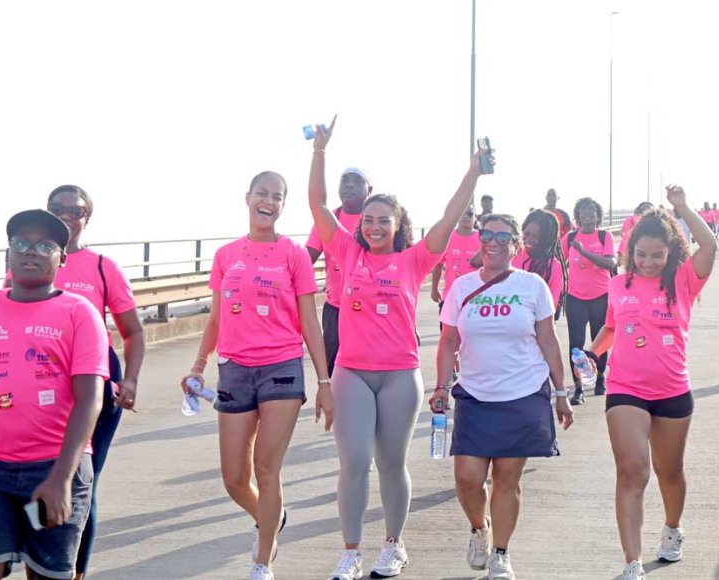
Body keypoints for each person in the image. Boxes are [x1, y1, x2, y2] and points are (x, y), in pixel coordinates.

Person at [308, 118, 490, 580]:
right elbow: (317, 203)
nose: (373, 227)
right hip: (350, 371)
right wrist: (321, 151)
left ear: (397, 224)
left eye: (382, 221)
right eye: (367, 220)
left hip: (399, 375)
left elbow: (450, 217)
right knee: (352, 462)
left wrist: (474, 173)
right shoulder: (348, 252)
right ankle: (350, 551)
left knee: (391, 463)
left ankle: (393, 544)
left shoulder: (414, 259)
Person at [180, 170, 334, 580]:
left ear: (283, 205)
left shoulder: (294, 256)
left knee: (267, 467)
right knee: (234, 478)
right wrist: (197, 366)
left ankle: (262, 560)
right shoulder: (226, 256)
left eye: (277, 196)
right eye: (261, 194)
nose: (268, 201)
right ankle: (270, 517)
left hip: (281, 369)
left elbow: (309, 321)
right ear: (247, 198)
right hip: (233, 369)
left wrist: (324, 382)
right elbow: (214, 318)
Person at [429, 213, 573, 580]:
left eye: (502, 236)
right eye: (487, 234)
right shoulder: (461, 287)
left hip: (523, 393)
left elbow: (548, 340)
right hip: (476, 394)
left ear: (516, 244)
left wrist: (561, 392)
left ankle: (501, 553)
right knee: (467, 477)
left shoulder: (532, 285)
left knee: (508, 478)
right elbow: (448, 341)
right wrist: (441, 386)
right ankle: (480, 528)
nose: (492, 241)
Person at [584, 186, 716, 580]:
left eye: (657, 255)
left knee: (669, 471)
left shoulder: (685, 280)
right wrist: (592, 354)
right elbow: (611, 328)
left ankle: (672, 529)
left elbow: (708, 245)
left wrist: (683, 208)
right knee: (631, 471)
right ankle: (632, 562)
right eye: (641, 254)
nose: (648, 262)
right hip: (625, 388)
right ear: (630, 250)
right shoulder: (617, 284)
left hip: (673, 390)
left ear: (671, 252)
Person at [0, 210, 109, 580]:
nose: (31, 251)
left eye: (46, 245)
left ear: (62, 259)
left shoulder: (79, 313)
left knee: (47, 576)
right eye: (21, 243)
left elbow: (90, 399)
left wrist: (62, 478)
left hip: (56, 466)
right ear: (7, 254)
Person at [45, 185, 145, 580]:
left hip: (97, 383)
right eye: (58, 209)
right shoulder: (29, 261)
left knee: (84, 478)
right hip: (43, 386)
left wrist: (132, 379)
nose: (68, 216)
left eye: (77, 210)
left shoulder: (104, 266)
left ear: (88, 219)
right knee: (43, 475)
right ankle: (45, 559)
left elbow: (133, 332)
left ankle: (74, 571)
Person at [307, 168, 373, 375]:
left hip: (369, 310)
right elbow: (305, 259)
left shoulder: (376, 220)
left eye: (356, 181)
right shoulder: (328, 220)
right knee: (332, 370)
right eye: (344, 181)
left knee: (367, 369)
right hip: (335, 309)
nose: (349, 185)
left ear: (369, 189)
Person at [562, 197, 616, 404]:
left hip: (601, 297)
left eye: (592, 212)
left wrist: (584, 252)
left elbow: (610, 263)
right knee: (575, 344)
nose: (588, 217)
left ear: (598, 216)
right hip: (575, 298)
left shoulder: (604, 236)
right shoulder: (569, 238)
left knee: (598, 342)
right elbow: (559, 261)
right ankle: (578, 388)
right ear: (577, 216)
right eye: (583, 213)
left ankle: (600, 379)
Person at [514, 209, 568, 316]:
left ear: (546, 240)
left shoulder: (553, 266)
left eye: (536, 237)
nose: (529, 239)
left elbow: (550, 307)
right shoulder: (512, 253)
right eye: (527, 233)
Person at [431, 204, 481, 310]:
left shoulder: (482, 239)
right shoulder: (447, 237)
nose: (466, 216)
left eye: (470, 214)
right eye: (462, 213)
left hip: (475, 298)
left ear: (475, 217)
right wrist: (434, 289)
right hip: (450, 296)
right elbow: (438, 265)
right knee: (446, 327)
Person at [618, 202, 655, 267]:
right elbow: (626, 236)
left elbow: (624, 235)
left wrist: (621, 253)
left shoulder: (630, 220)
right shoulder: (631, 221)